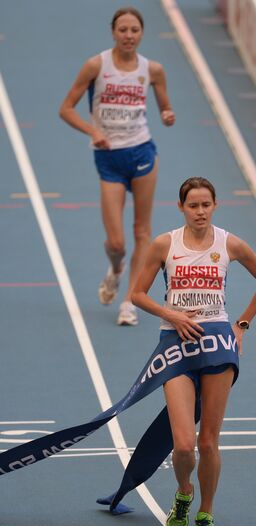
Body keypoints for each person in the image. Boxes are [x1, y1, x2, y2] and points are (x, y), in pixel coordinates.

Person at [131, 176, 256, 526]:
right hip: (175, 342)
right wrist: (174, 315)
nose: (199, 212)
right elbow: (136, 294)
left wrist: (241, 325)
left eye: (205, 205)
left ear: (215, 206)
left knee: (208, 442)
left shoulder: (230, 244)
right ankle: (184, 492)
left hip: (217, 344)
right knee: (183, 444)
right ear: (181, 207)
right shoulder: (165, 244)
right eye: (192, 205)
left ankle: (206, 513)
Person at [59, 6, 175, 326]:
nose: (128, 36)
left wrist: (167, 115)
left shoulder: (153, 70)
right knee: (117, 242)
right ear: (113, 32)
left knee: (142, 232)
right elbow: (66, 109)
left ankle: (129, 302)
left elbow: (166, 107)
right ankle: (115, 268)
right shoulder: (96, 65)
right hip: (108, 157)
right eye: (122, 30)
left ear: (141, 34)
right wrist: (93, 130)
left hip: (142, 153)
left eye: (134, 30)